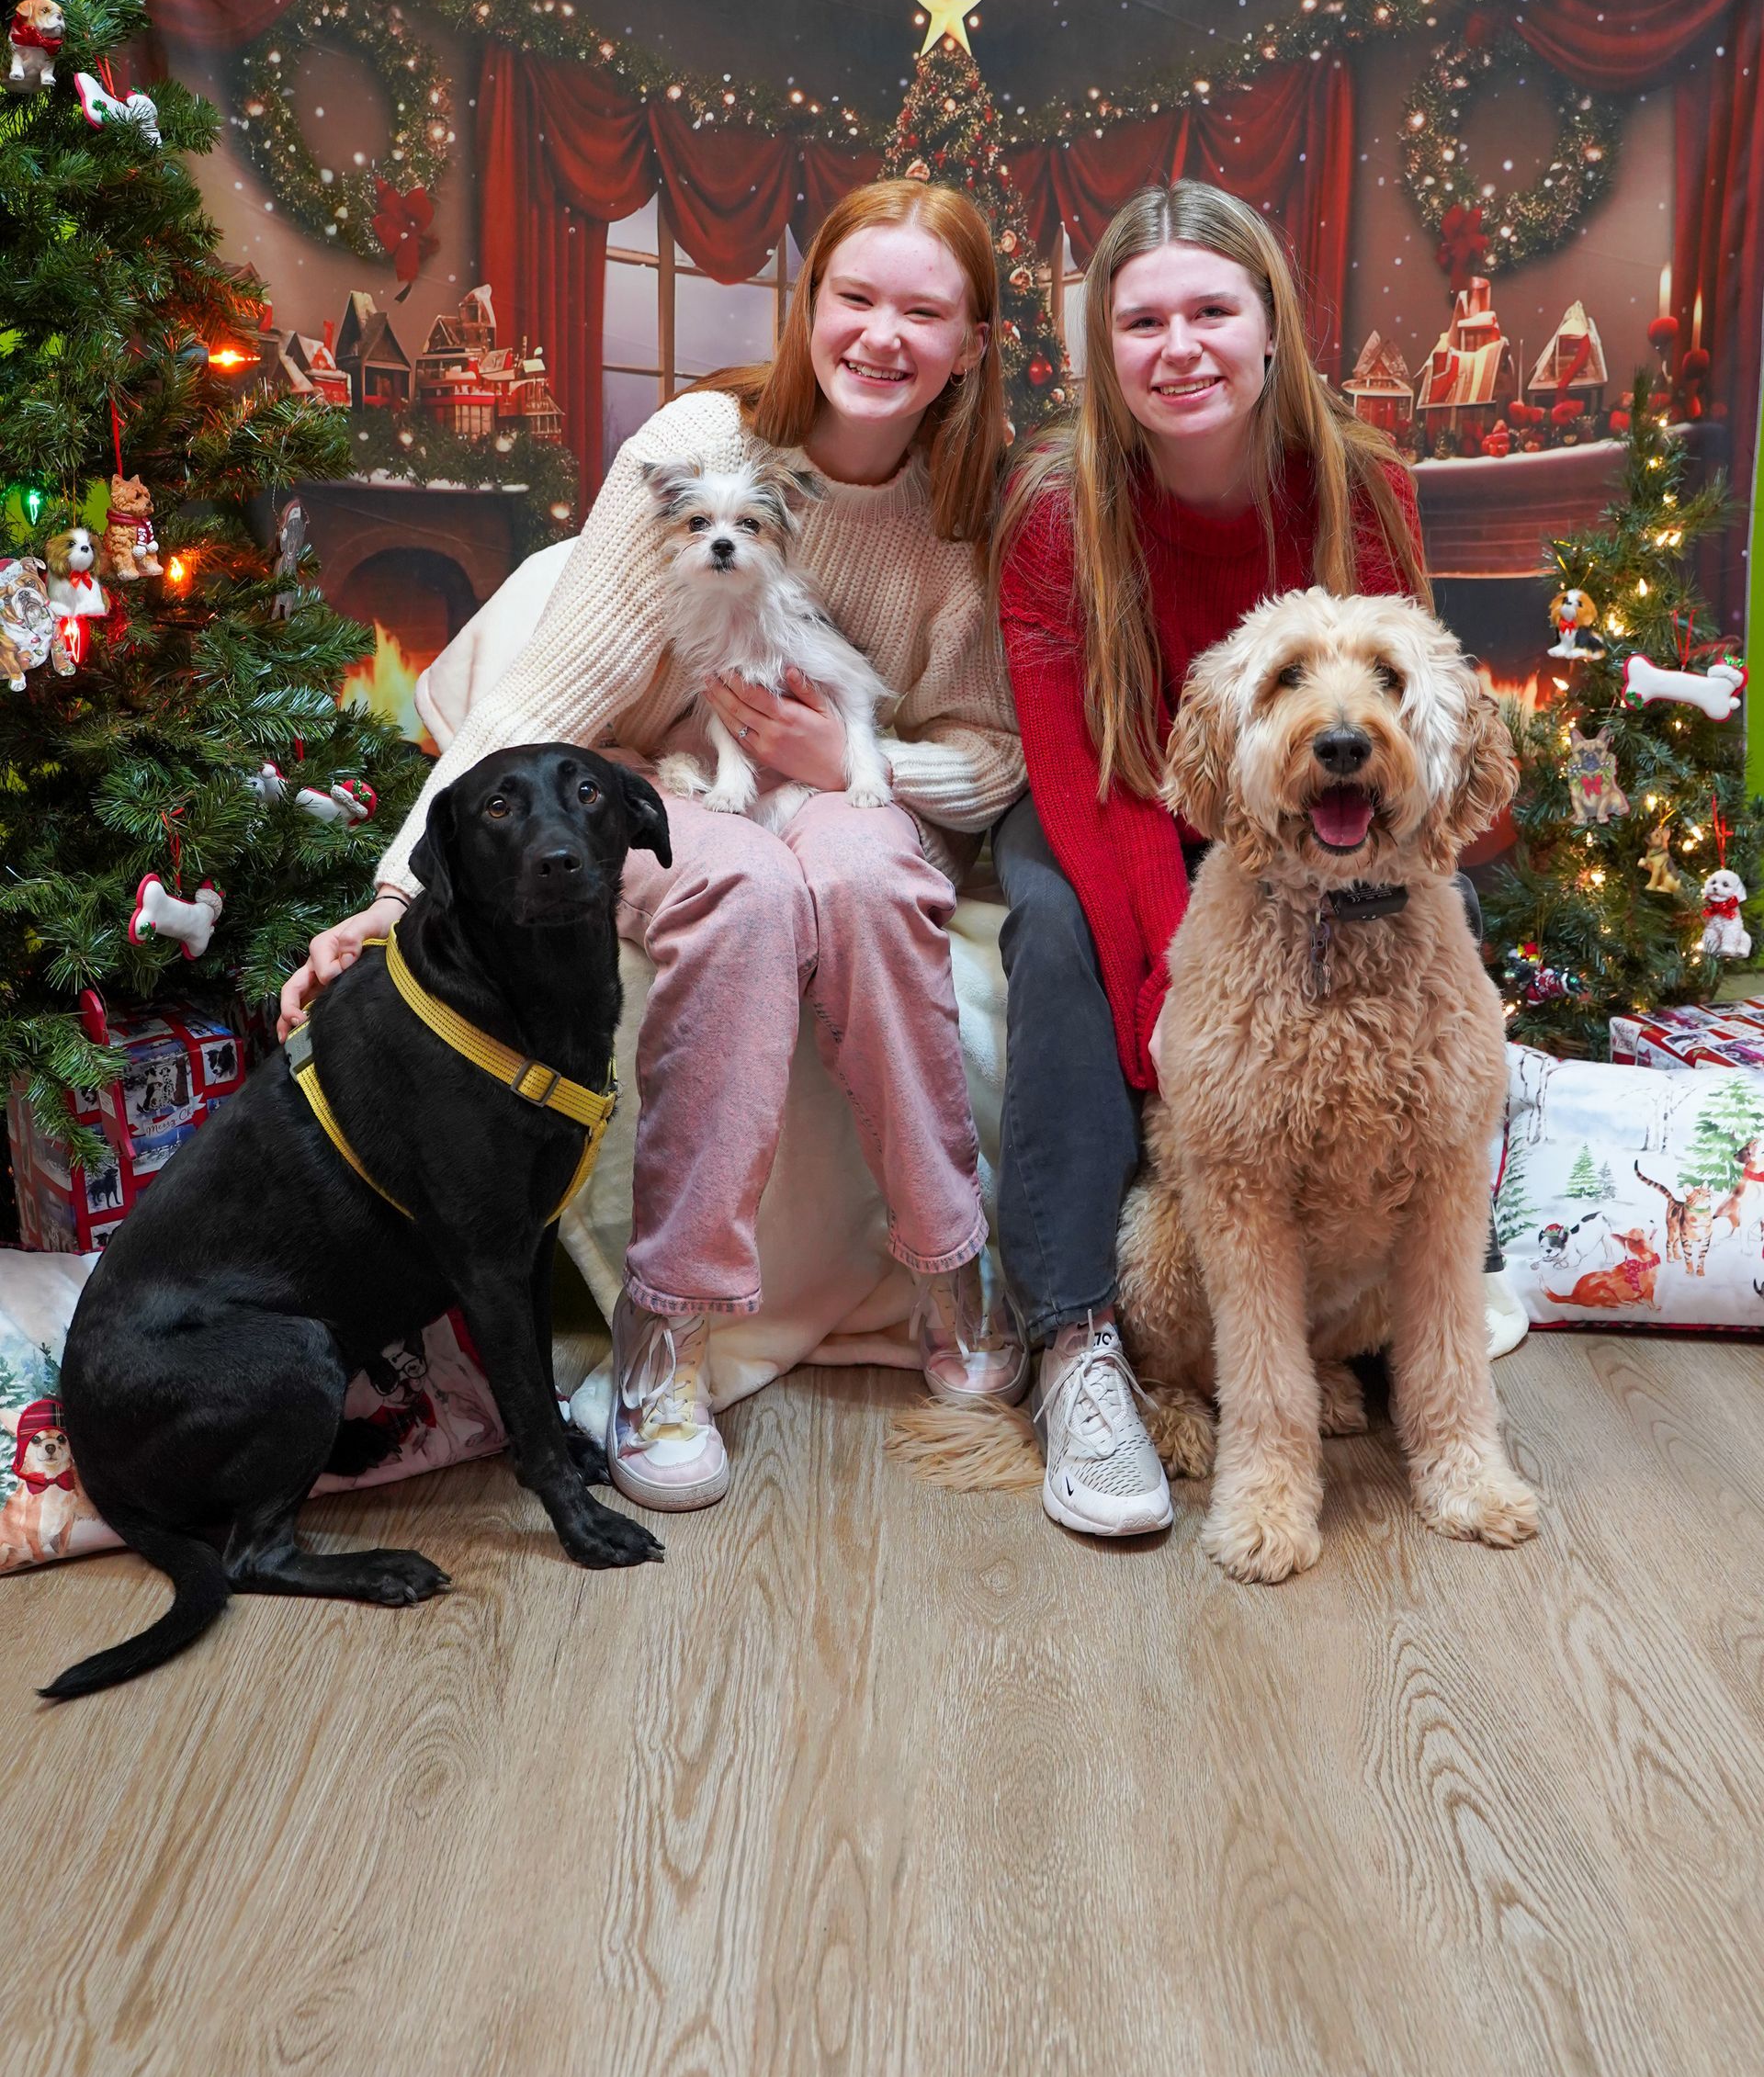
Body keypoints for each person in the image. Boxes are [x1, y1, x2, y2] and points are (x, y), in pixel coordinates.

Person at [279, 180, 1027, 1514]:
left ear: (970, 343)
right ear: (810, 310)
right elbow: (545, 702)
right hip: (646, 785)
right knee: (735, 893)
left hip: (847, 788)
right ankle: (666, 1329)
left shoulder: (968, 521)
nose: (881, 335)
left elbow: (986, 750)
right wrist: (396, 895)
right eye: (855, 298)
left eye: (925, 311)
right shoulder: (697, 443)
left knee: (857, 878)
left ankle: (952, 1260)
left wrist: (845, 767)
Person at [989, 179, 1525, 1543]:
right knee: (1057, 932)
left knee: (1433, 901)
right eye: (1144, 319)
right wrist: (1193, 1021)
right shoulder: (1059, 509)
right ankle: (1078, 1338)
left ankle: (1419, 1343)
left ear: (1271, 326)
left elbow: (1415, 726)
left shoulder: (1365, 483)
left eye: (1213, 311)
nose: (1181, 346)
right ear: (1103, 350)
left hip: (1323, 812)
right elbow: (1093, 783)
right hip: (1127, 793)